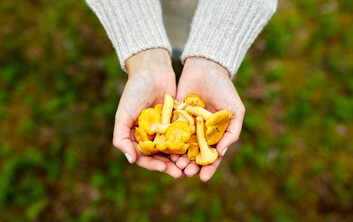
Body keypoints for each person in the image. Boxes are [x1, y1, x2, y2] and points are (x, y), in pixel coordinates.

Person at [86, 0, 277, 181]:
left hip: (223, 17)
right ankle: (169, 53)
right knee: (173, 40)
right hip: (143, 11)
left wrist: (213, 55)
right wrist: (143, 52)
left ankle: (180, 54)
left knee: (180, 44)